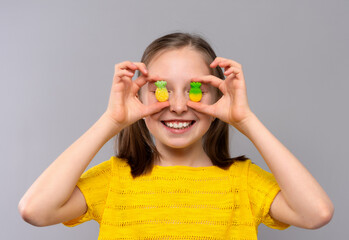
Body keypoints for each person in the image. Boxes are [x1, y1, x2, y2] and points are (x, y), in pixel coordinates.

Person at [18, 32, 334, 239]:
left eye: (195, 91)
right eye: (161, 90)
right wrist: (111, 120)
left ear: (217, 98)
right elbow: (35, 210)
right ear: (138, 97)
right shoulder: (115, 180)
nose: (179, 106)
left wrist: (246, 119)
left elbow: (316, 213)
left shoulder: (243, 182)